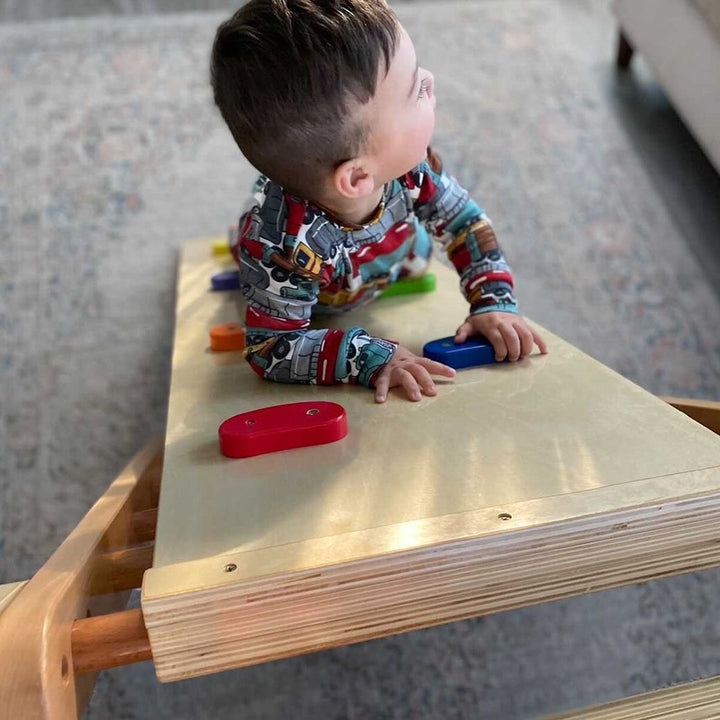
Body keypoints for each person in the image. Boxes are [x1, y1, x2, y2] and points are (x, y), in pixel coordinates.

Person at [210, 0, 547, 403]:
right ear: (358, 177)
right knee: (257, 265)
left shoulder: (413, 169)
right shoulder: (280, 246)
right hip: (315, 288)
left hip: (389, 255)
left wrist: (494, 301)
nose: (431, 80)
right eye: (415, 90)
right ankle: (240, 239)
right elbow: (270, 348)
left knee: (420, 253)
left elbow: (466, 225)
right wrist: (367, 356)